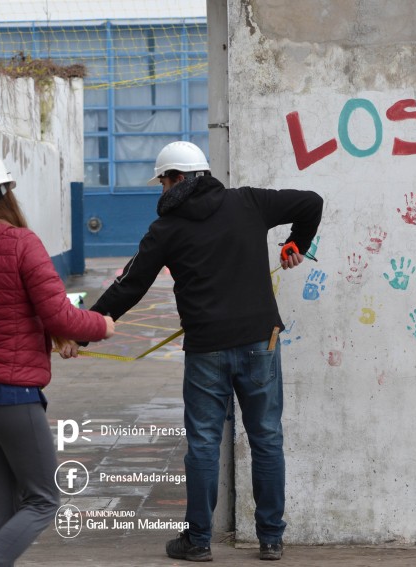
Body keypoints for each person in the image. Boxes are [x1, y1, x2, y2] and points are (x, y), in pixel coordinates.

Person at [81, 141, 323, 562]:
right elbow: (311, 203)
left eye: (162, 182)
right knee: (266, 438)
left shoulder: (166, 229)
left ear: (175, 179)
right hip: (260, 342)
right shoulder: (247, 202)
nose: (161, 192)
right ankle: (270, 539)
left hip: (206, 350)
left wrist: (83, 329)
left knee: (204, 444)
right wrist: (296, 244)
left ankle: (198, 541)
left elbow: (130, 285)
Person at [0, 148, 115, 567]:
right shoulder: (20, 243)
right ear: (8, 193)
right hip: (10, 392)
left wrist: (50, 335)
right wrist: (101, 326)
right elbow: (58, 311)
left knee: (4, 496)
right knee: (44, 499)